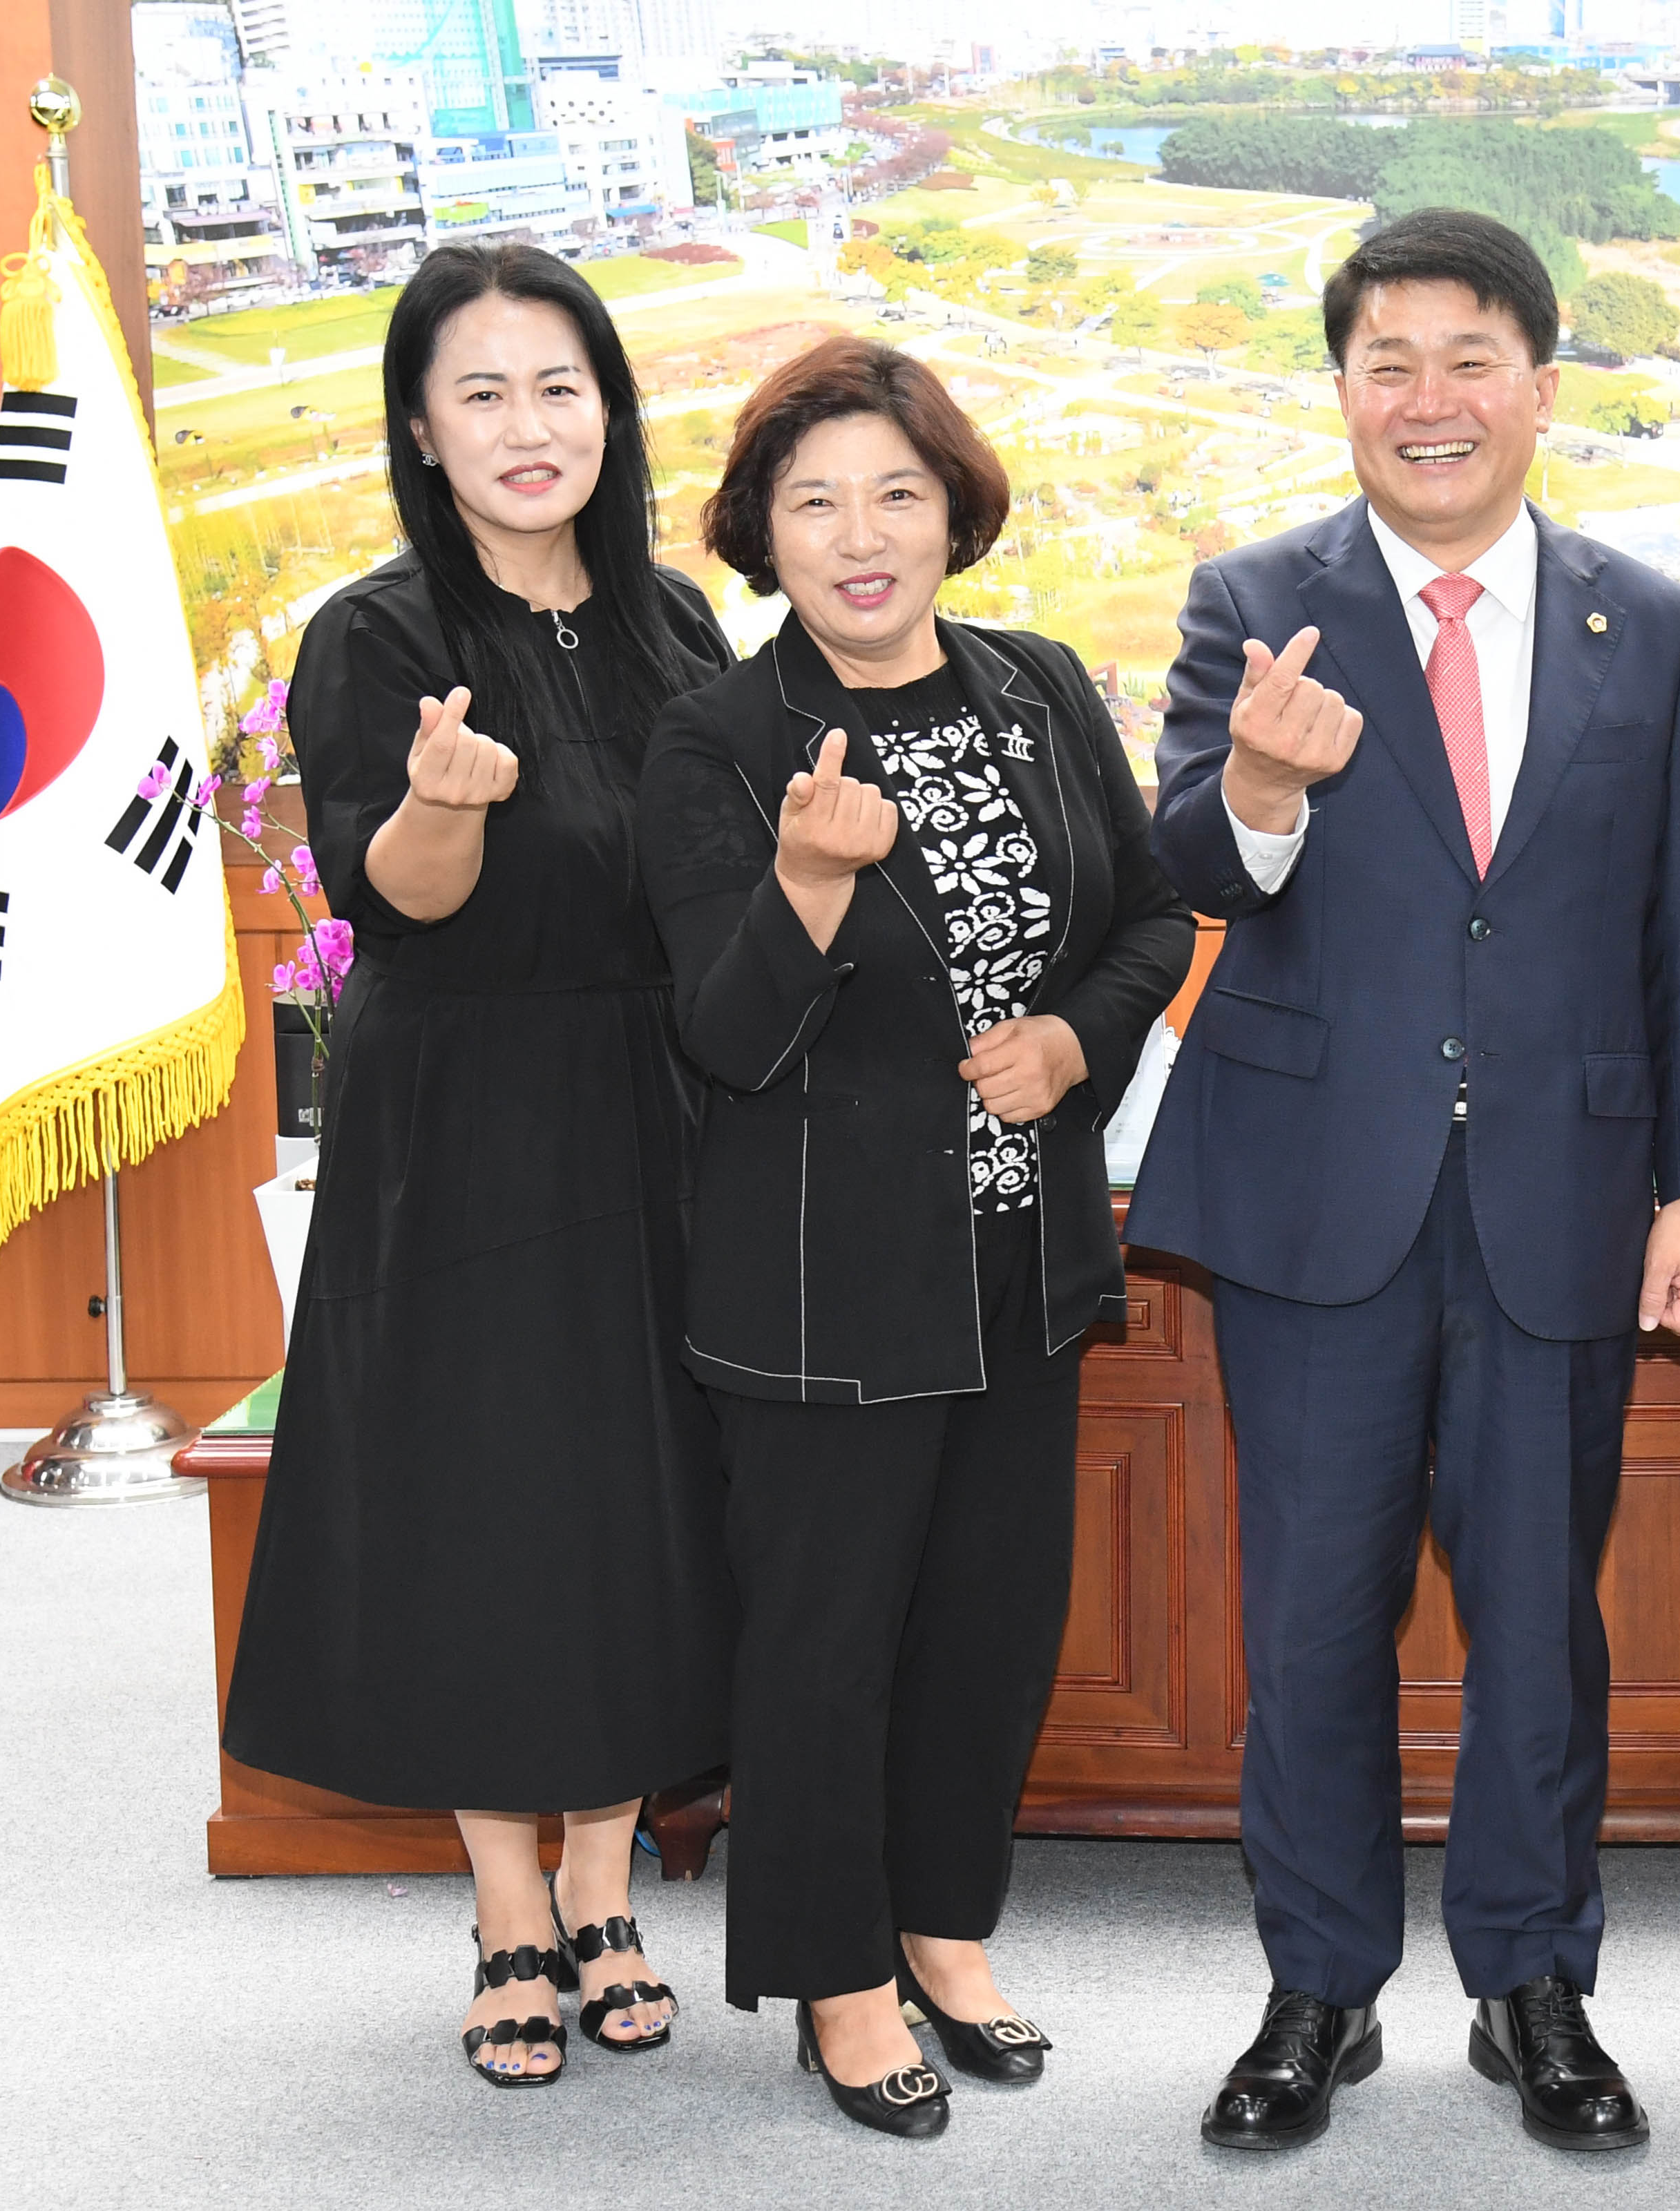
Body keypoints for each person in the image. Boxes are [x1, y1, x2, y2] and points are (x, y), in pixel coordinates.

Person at [1133, 209, 1680, 2155]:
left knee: (1542, 1627)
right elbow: (1191, 872)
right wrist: (1265, 788)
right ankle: (1318, 1986)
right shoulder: (1256, 596)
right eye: (1387, 360)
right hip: (1320, 1197)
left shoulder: (1647, 623)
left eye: (1470, 356)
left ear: (1541, 387)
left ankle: (1532, 1981)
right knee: (1312, 1617)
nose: (1430, 397)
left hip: (1565, 1194)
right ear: (1343, 392)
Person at [638, 336, 1194, 2140]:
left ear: (952, 506)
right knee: (826, 1642)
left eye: (896, 492)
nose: (861, 536)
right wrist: (806, 883)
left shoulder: (1034, 690)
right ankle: (839, 1974)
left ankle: (948, 1930)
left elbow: (1141, 919)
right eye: (815, 503)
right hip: (819, 1285)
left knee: (988, 1622)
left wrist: (1071, 1041)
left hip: (1020, 1262)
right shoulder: (719, 740)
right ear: (762, 533)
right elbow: (720, 1039)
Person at [222, 242, 738, 2089]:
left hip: (657, 1107)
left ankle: (606, 1874)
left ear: (611, 407)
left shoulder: (683, 625)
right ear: (423, 433)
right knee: (486, 1507)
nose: (529, 428)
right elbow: (400, 894)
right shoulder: (379, 636)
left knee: (637, 1500)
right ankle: (506, 1905)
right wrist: (443, 805)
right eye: (483, 394)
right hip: (463, 1125)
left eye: (561, 387)